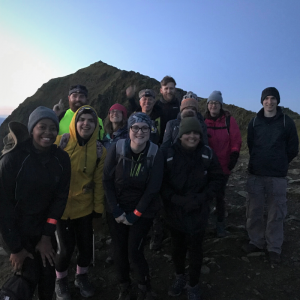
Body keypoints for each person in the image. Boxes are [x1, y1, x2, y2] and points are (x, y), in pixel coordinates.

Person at [0, 107, 71, 300]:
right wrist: (15, 248)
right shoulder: (12, 160)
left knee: (48, 274)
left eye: (52, 128)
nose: (48, 133)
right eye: (42, 127)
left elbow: (60, 199)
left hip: (44, 228)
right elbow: (3, 207)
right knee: (27, 276)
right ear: (32, 129)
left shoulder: (61, 159)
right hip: (17, 230)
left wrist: (47, 236)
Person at [160, 117, 224, 300]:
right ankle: (180, 277)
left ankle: (193, 284)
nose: (192, 136)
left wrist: (202, 198)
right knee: (177, 248)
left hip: (199, 213)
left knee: (196, 249)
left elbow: (218, 179)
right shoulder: (168, 154)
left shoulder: (207, 154)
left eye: (196, 132)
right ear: (180, 135)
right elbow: (161, 183)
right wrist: (176, 199)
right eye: (188, 132)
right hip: (175, 213)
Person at [103, 112, 164, 300]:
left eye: (144, 128)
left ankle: (144, 285)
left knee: (134, 250)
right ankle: (124, 286)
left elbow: (153, 188)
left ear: (150, 130)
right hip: (117, 209)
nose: (140, 131)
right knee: (119, 250)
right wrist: (116, 209)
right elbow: (106, 180)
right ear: (129, 130)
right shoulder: (116, 148)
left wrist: (136, 214)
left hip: (142, 210)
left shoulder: (155, 153)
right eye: (135, 127)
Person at [54, 106, 107, 299]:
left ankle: (81, 277)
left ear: (96, 125)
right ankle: (60, 280)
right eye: (81, 119)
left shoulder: (100, 151)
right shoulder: (60, 142)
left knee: (85, 248)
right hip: (62, 209)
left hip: (85, 209)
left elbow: (99, 183)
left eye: (91, 121)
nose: (86, 123)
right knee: (65, 249)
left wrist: (98, 212)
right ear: (74, 122)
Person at [243, 87, 299, 264]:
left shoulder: (286, 122)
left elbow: (293, 148)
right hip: (256, 174)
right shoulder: (253, 123)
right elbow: (251, 145)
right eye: (266, 98)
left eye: (273, 98)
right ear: (262, 101)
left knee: (277, 213)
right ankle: (256, 241)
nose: (269, 102)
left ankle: (274, 247)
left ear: (278, 101)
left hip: (277, 176)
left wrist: (281, 162)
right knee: (254, 211)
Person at [204, 91, 242, 237]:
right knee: (205, 196)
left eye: (216, 103)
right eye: (211, 103)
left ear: (220, 105)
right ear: (208, 105)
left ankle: (220, 225)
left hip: (223, 165)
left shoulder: (228, 120)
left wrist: (234, 154)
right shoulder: (203, 120)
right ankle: (203, 224)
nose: (213, 105)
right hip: (206, 166)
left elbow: (236, 139)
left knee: (220, 196)